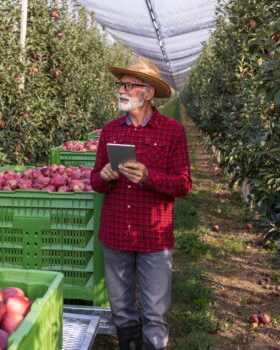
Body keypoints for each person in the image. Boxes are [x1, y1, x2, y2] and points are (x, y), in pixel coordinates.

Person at [90, 58, 192, 350]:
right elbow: (95, 182)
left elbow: (183, 184)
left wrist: (149, 176)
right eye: (120, 84)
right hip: (116, 232)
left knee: (155, 313)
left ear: (147, 93)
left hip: (154, 236)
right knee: (121, 309)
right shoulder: (110, 131)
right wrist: (105, 176)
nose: (121, 90)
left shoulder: (172, 131)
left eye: (128, 85)